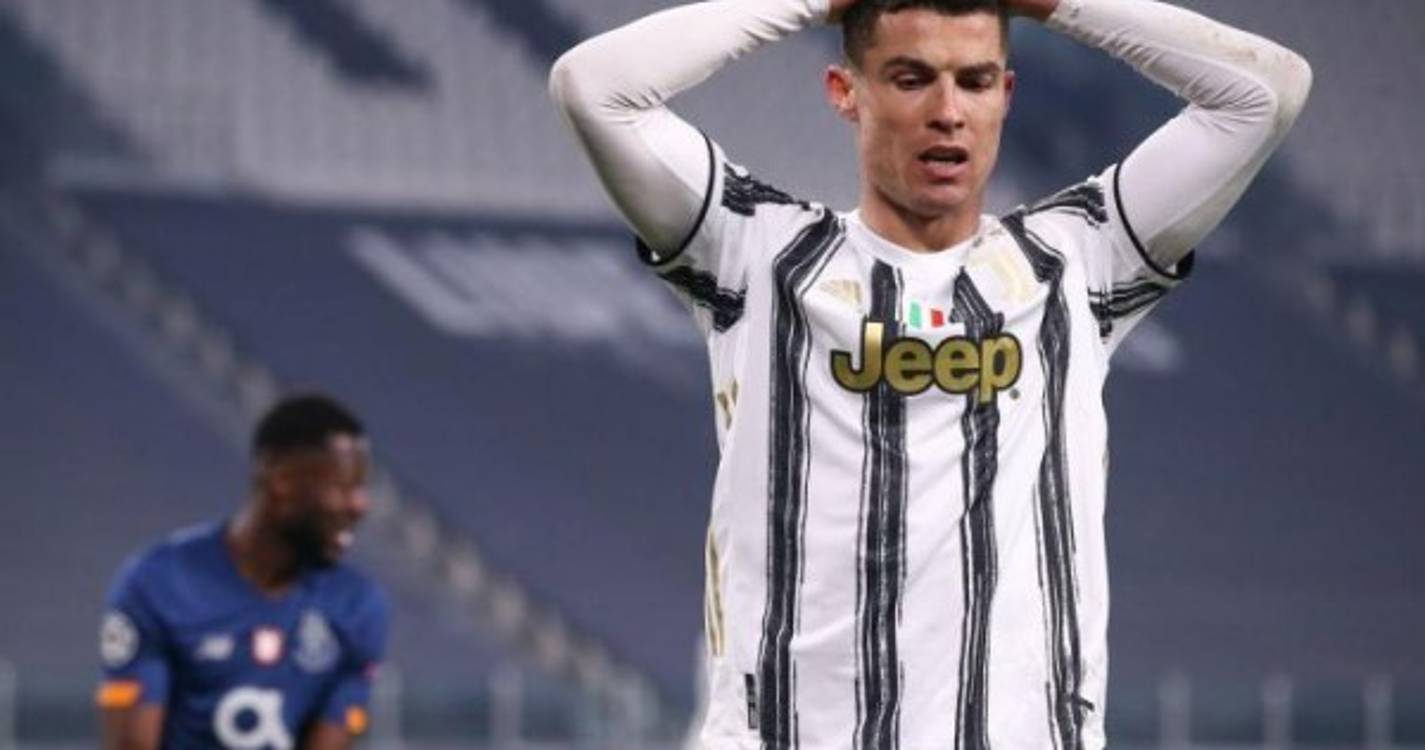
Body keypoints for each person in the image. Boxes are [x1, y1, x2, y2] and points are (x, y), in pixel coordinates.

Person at [550, 0, 1310, 747]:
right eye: (911, 78)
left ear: (1006, 95)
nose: (948, 113)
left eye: (974, 81)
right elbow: (593, 88)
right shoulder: (758, 254)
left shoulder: (1075, 261)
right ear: (845, 91)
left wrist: (1051, 5)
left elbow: (1263, 93)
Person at [96, 394, 388, 749]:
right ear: (281, 478)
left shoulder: (356, 606)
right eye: (343, 487)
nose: (360, 505)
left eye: (362, 488)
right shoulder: (158, 583)